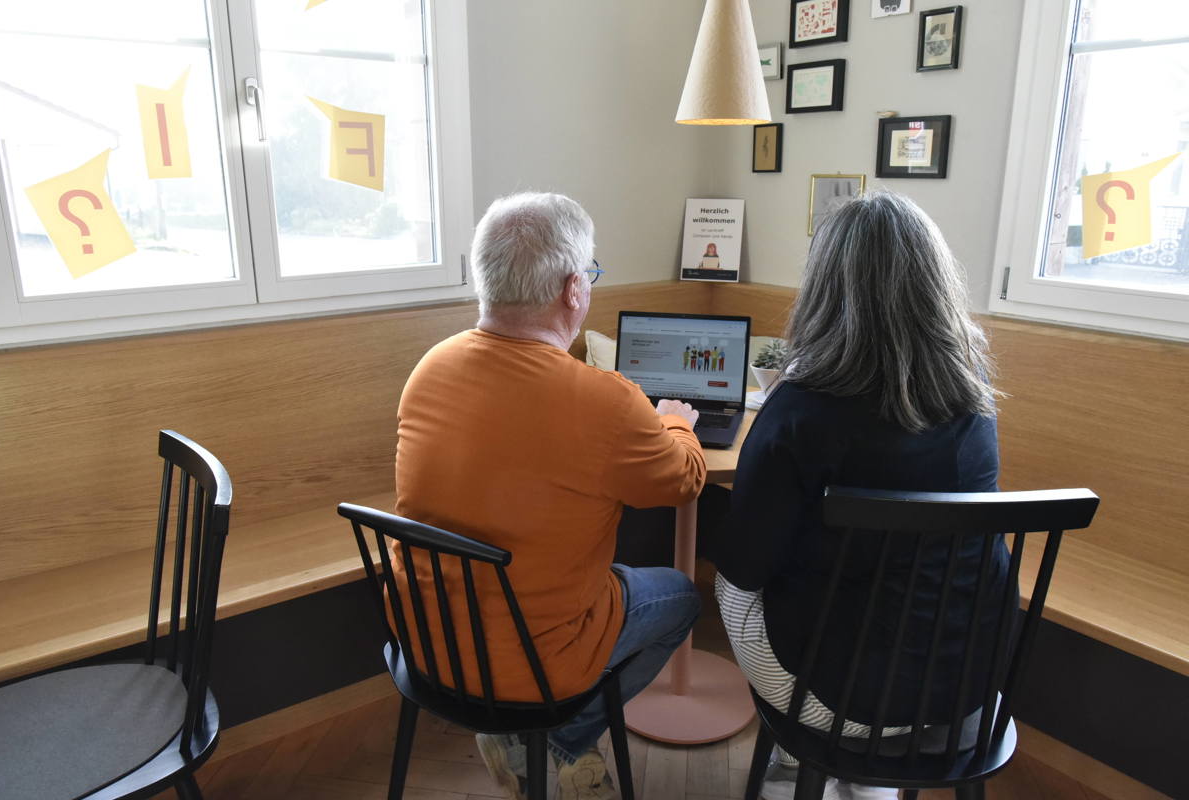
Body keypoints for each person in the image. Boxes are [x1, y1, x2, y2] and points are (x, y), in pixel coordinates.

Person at [395, 191, 707, 800]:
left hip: (428, 640)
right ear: (573, 290)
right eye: (590, 274)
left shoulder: (430, 366)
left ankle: (530, 742)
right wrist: (675, 422)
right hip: (532, 664)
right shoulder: (605, 400)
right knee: (681, 594)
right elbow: (683, 481)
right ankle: (564, 739)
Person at [709, 192, 1006, 800]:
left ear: (824, 289)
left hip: (837, 693)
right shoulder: (974, 405)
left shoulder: (799, 410)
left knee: (729, 581)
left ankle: (816, 760)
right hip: (968, 681)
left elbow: (746, 564)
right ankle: (860, 782)